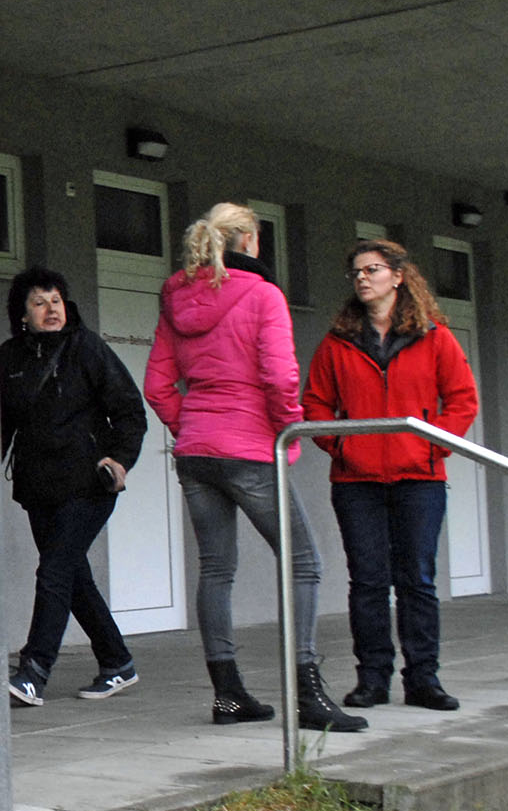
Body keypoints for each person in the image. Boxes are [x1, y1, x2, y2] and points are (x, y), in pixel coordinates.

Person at [144, 202, 363, 733]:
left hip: (197, 452)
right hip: (250, 448)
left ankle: (228, 696)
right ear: (249, 241)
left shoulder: (176, 297)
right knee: (303, 563)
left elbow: (156, 384)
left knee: (216, 569)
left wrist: (191, 425)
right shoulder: (264, 294)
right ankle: (307, 696)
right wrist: (286, 434)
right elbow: (281, 377)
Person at [304, 240, 478, 713]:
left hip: (419, 477)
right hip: (355, 481)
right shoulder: (338, 341)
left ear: (398, 276)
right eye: (356, 272)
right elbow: (315, 403)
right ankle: (372, 679)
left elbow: (463, 399)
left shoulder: (434, 336)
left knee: (417, 579)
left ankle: (423, 680)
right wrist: (342, 446)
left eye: (373, 269)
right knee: (367, 581)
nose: (362, 278)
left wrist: (430, 446)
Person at [0, 268, 147, 708]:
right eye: (39, 302)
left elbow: (130, 411)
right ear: (22, 314)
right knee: (73, 577)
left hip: (88, 483)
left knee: (54, 572)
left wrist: (119, 460)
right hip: (37, 486)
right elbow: (0, 424)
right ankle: (117, 662)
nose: (51, 309)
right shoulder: (10, 357)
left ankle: (34, 671)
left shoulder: (87, 348)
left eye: (57, 300)